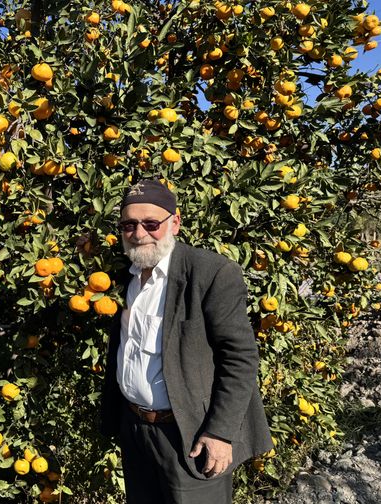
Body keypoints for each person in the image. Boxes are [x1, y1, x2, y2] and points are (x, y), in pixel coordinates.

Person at [100, 179, 273, 503]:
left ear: (174, 223)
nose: (139, 234)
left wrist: (220, 433)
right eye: (129, 225)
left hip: (190, 433)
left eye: (151, 223)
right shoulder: (123, 274)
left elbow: (240, 357)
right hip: (135, 429)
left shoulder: (210, 273)